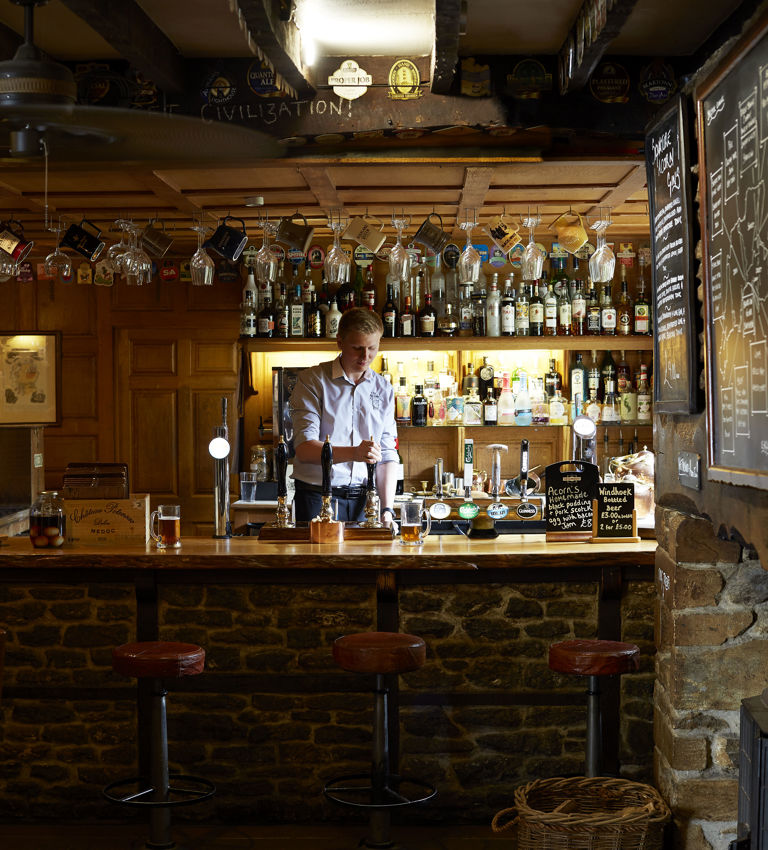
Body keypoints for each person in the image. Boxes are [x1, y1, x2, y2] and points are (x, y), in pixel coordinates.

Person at [289, 307, 398, 524]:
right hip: (316, 497)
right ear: (339, 342)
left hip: (365, 499)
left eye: (372, 348)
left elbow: (386, 454)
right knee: (317, 559)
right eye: (357, 348)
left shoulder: (383, 388)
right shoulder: (312, 381)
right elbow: (304, 449)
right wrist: (355, 453)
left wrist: (387, 509)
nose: (365, 357)